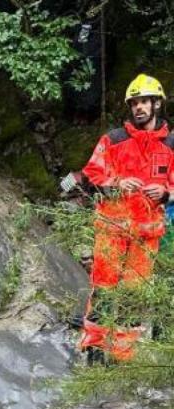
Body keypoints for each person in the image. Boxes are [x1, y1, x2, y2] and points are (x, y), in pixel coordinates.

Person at [68, 74, 174, 360]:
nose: (139, 108)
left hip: (147, 236)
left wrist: (165, 192)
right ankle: (94, 348)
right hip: (112, 230)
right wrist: (117, 184)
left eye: (144, 102)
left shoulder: (172, 145)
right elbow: (91, 174)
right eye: (134, 103)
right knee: (103, 290)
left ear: (156, 104)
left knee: (133, 296)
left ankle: (121, 354)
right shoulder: (113, 140)